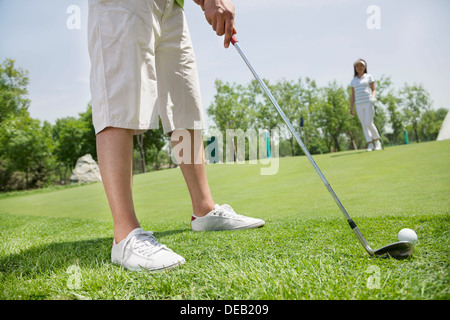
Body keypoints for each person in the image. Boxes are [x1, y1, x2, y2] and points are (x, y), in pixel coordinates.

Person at [87, 0, 265, 272]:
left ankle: (204, 211)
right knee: (120, 96)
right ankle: (124, 234)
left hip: (172, 6)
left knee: (184, 101)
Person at [350, 59, 382, 152]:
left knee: (369, 123)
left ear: (365, 67)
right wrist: (351, 107)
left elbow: (373, 89)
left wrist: (373, 97)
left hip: (368, 102)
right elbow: (353, 95)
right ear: (355, 68)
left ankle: (377, 142)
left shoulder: (369, 76)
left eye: (361, 66)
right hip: (359, 104)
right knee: (364, 124)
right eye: (357, 66)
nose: (359, 68)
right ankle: (370, 144)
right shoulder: (353, 81)